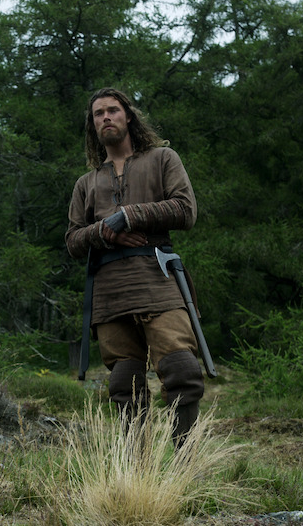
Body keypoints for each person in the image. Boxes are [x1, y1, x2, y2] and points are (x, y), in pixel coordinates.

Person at [65, 87, 204, 448]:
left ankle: (185, 469)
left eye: (112, 110)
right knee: (124, 387)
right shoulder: (87, 183)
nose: (105, 117)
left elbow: (185, 211)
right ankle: (135, 474)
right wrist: (106, 232)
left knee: (183, 372)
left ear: (128, 116)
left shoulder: (162, 159)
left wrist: (129, 216)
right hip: (110, 294)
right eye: (98, 113)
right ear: (92, 125)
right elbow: (73, 241)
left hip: (158, 280)